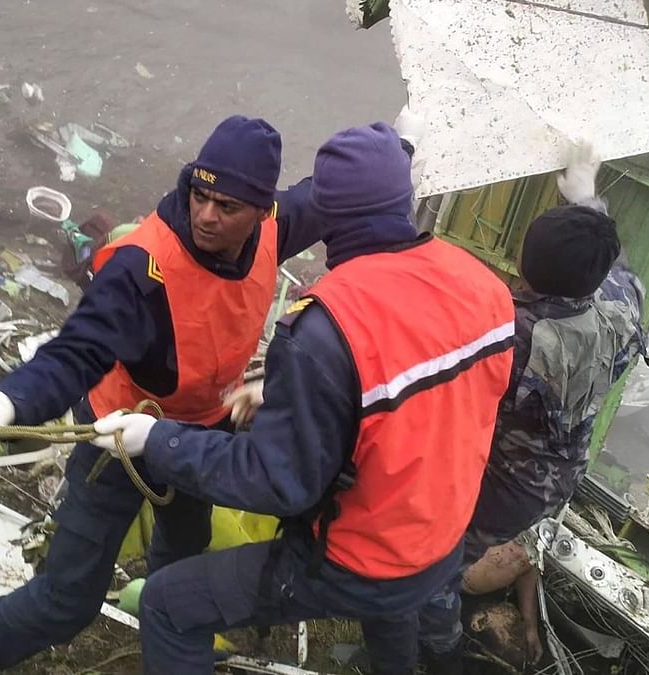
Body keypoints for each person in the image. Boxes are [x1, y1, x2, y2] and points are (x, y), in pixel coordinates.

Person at [90, 122, 517, 675]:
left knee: (169, 604)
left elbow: (278, 483)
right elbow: (435, 395)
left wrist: (158, 439)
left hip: (357, 560)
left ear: (327, 217)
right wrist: (310, 393)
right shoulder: (484, 286)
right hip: (439, 542)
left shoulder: (326, 323)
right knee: (393, 620)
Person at [0, 115, 328, 674]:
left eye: (227, 206)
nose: (206, 215)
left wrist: (409, 145)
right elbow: (78, 349)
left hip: (198, 436)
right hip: (115, 438)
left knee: (181, 562)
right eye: (199, 193)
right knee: (69, 599)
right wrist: (10, 402)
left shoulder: (276, 228)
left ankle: (163, 632)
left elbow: (334, 192)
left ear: (263, 211)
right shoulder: (143, 267)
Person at [416, 145, 649, 674]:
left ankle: (438, 651)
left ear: (522, 264)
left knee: (435, 565)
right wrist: (588, 200)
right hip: (560, 475)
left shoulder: (515, 336)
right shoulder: (621, 307)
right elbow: (615, 265)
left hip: (504, 485)